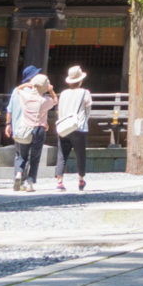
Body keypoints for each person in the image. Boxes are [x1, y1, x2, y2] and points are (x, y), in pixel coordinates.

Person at [5, 65, 57, 192]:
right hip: (37, 128)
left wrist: (8, 124)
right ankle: (29, 181)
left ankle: (18, 175)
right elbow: (54, 101)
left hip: (21, 127)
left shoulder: (22, 94)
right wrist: (50, 90)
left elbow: (10, 108)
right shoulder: (43, 98)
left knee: (20, 155)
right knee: (34, 157)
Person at [54, 64, 94, 192]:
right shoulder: (85, 93)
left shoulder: (63, 94)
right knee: (80, 154)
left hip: (64, 127)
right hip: (78, 127)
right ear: (80, 80)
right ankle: (81, 179)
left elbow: (59, 110)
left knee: (62, 153)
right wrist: (85, 121)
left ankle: (59, 181)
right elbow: (88, 109)